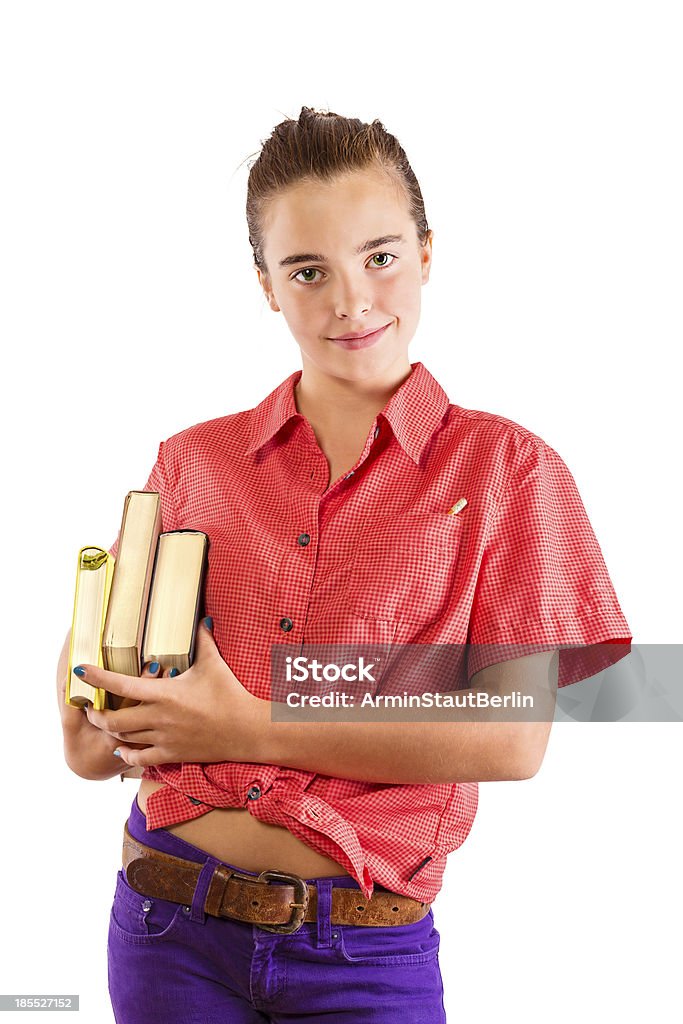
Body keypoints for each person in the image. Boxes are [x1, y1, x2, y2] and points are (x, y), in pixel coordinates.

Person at [56, 106, 632, 1023]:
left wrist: (246, 722)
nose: (351, 300)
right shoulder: (191, 464)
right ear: (266, 285)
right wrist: (123, 710)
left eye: (379, 255)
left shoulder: (509, 472)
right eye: (307, 270)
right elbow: (89, 735)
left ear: (427, 250)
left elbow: (509, 741)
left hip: (365, 949)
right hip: (168, 926)